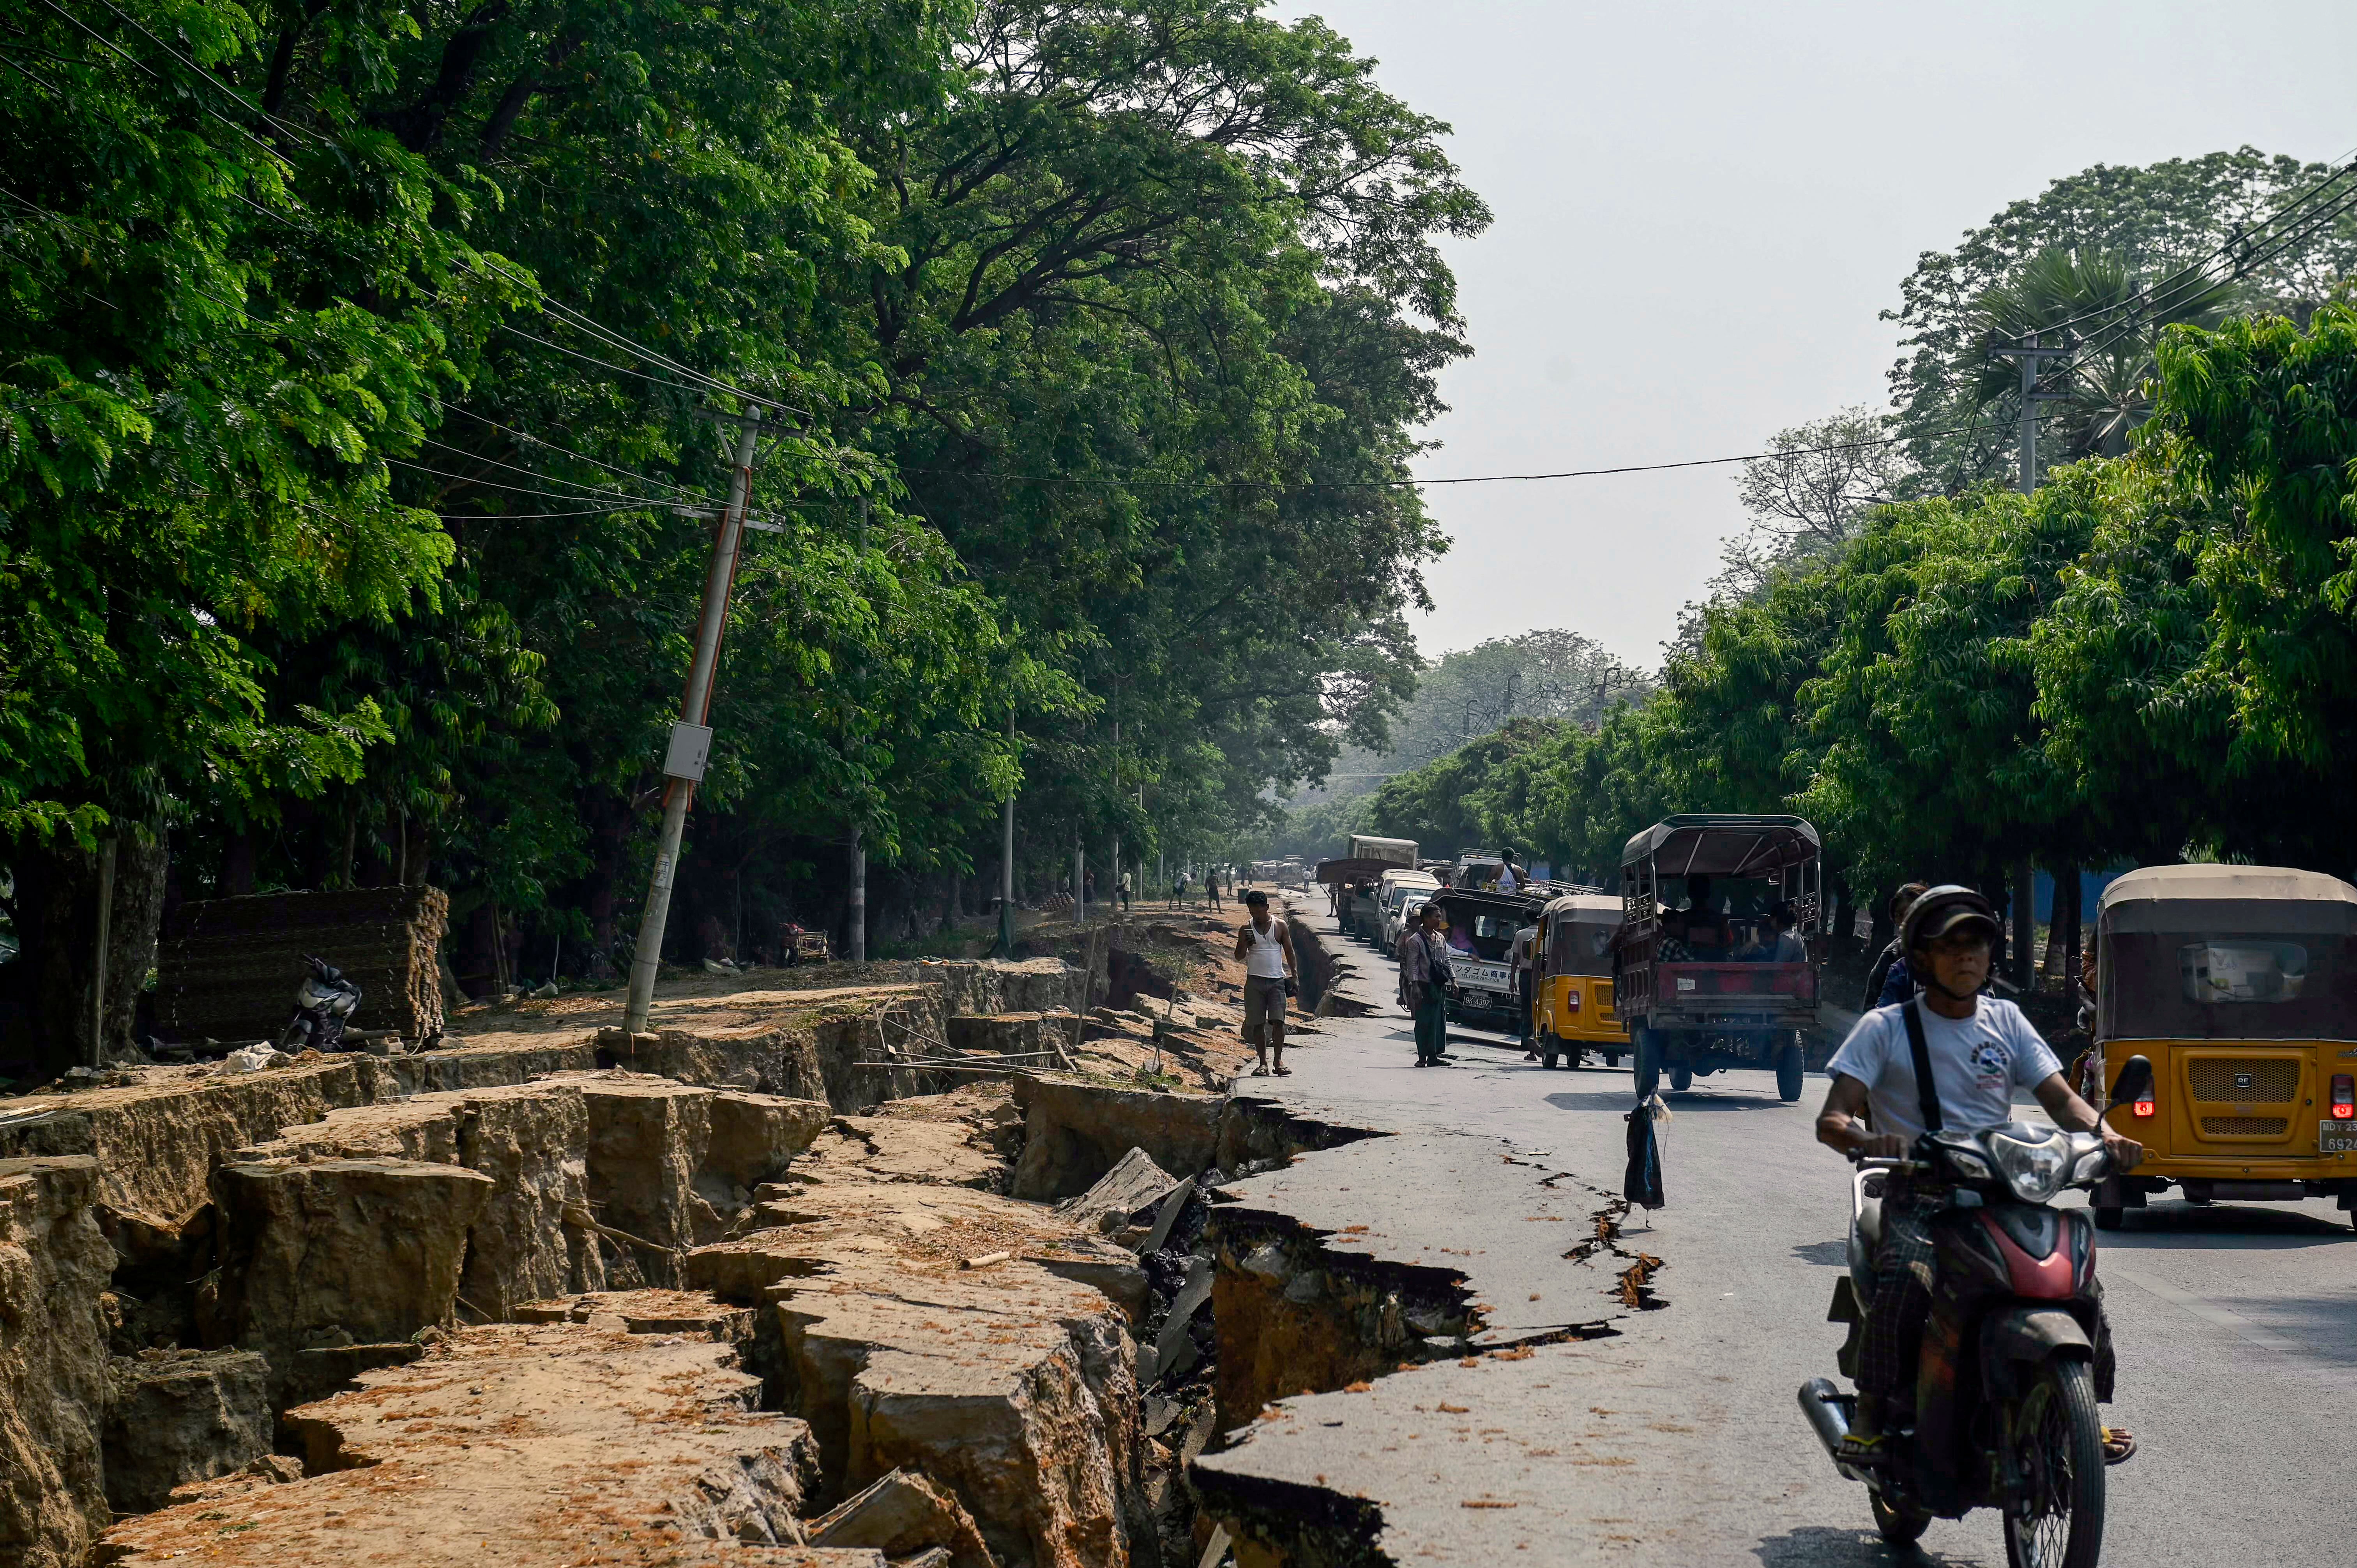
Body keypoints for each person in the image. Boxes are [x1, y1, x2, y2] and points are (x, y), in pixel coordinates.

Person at [1814, 885, 2142, 1461]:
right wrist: (1867, 1137)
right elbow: (1833, 1118)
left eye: (1977, 945)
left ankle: (2086, 1409)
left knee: (2078, 1278)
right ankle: (1870, 1410)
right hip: (1920, 1194)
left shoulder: (2007, 1022)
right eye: (1952, 946)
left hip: (2001, 1188)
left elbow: (2061, 1099)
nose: (1967, 957)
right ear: (1920, 957)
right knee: (1907, 1284)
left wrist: (2106, 1133)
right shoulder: (1885, 1029)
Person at [1233, 890, 1298, 1076]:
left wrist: (1295, 976)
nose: (1256, 916)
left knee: (1279, 1022)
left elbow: (1290, 952)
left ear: (1267, 908)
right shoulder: (1246, 929)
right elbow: (1238, 956)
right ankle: (1263, 1063)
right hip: (1254, 981)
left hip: (1277, 980)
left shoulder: (1280, 926)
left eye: (1259, 912)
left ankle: (1278, 1061)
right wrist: (1245, 943)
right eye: (1252, 912)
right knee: (1257, 1024)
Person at [1399, 901, 1453, 1067]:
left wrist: (1454, 979)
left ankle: (1434, 1057)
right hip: (1422, 986)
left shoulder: (1440, 938)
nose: (1439, 920)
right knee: (1423, 1022)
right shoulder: (1416, 941)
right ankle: (1422, 1057)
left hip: (1438, 986)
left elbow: (1446, 960)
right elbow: (1412, 964)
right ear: (1426, 919)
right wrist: (1414, 986)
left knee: (1438, 1022)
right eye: (1437, 917)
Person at [1861, 882, 1929, 1012]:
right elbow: (1872, 1010)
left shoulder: (1947, 953)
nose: (1906, 920)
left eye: (1912, 912)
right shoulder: (1892, 959)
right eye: (1899, 915)